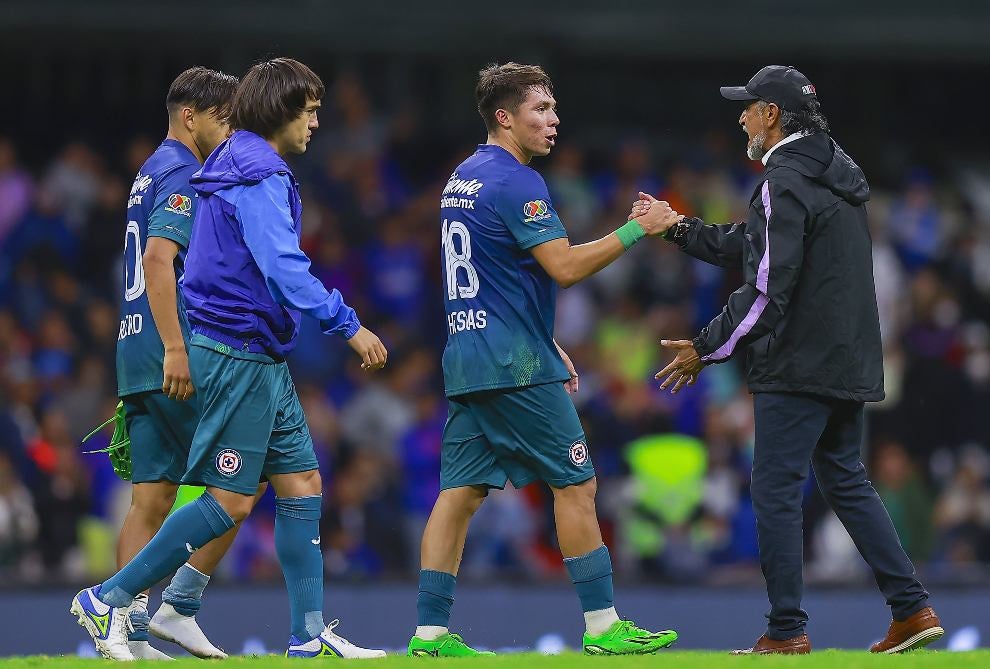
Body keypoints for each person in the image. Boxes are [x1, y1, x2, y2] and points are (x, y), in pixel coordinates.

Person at [71, 57, 388, 661]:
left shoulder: (218, 162)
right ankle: (110, 601)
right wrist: (348, 326)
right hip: (233, 349)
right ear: (282, 111)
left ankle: (304, 633)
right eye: (312, 110)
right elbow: (278, 265)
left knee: (300, 481)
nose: (318, 122)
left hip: (253, 349)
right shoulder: (253, 172)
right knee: (228, 497)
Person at [637, 65, 944, 655]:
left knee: (775, 488)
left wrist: (707, 347)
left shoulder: (784, 179)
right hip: (846, 358)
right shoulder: (831, 171)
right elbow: (757, 246)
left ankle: (785, 631)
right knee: (846, 480)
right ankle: (911, 608)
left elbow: (767, 288)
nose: (742, 117)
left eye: (748, 107)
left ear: (772, 114)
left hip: (800, 363)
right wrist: (678, 229)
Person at [407, 62, 681, 658]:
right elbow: (565, 267)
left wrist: (539, 331)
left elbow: (487, 273)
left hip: (469, 356)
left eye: (554, 109)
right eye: (540, 110)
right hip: (515, 368)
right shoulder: (517, 182)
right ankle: (604, 626)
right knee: (576, 483)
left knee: (460, 492)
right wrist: (638, 229)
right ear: (505, 118)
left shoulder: (463, 177)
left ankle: (428, 635)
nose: (554, 121)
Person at [102, 66, 240, 660]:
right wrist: (179, 348)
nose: (231, 132)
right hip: (170, 350)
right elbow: (160, 260)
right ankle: (177, 606)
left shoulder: (148, 170)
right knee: (244, 475)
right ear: (192, 116)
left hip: (134, 348)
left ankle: (121, 629)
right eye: (224, 118)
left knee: (151, 497)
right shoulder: (187, 170)